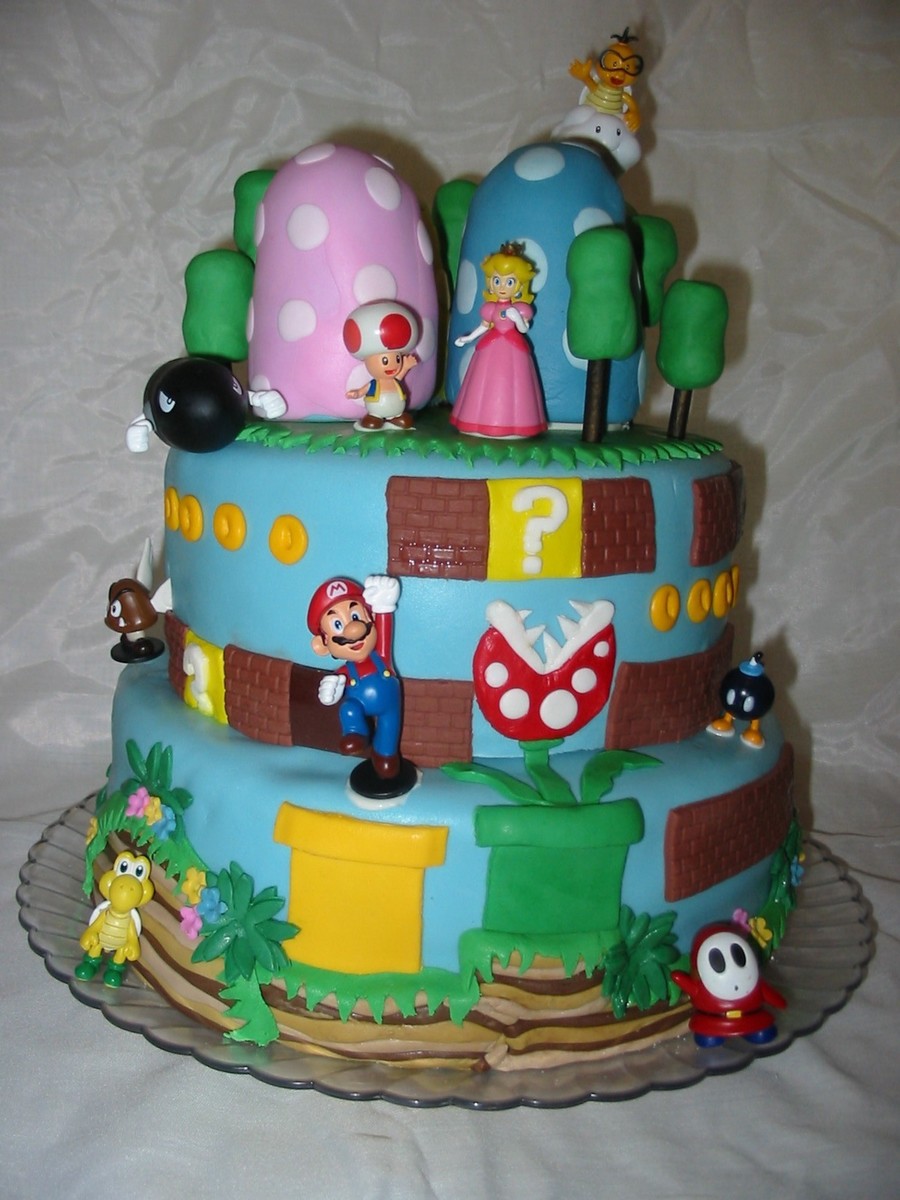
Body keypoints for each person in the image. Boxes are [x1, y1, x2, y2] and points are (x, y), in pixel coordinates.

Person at [308, 575, 403, 780]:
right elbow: (334, 688)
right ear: (322, 645)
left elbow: (384, 628)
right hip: (358, 704)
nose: (354, 630)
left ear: (369, 618)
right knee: (348, 708)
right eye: (337, 624)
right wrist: (331, 692)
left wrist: (384, 606)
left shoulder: (382, 656)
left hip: (390, 706)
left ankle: (384, 754)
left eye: (355, 616)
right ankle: (356, 732)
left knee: (389, 732)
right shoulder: (344, 671)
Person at [451, 242, 547, 438]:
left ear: (519, 284)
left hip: (514, 347)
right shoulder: (490, 308)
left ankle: (518, 424)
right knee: (483, 383)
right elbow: (484, 326)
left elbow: (524, 328)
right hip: (490, 345)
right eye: (497, 280)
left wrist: (516, 317)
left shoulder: (521, 309)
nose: (502, 286)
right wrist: (468, 338)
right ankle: (477, 421)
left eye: (509, 282)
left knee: (516, 384)